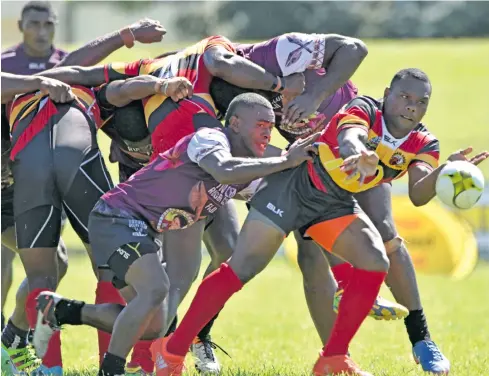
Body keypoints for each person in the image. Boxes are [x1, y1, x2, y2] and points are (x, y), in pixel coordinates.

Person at [148, 68, 489, 376]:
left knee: (374, 261)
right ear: (387, 94)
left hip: (332, 203)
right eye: (404, 96)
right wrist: (360, 154)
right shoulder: (365, 109)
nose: (412, 106)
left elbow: (418, 193)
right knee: (241, 269)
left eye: (421, 102)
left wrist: (446, 171)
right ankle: (173, 352)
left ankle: (333, 359)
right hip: (294, 187)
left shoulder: (423, 142)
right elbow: (349, 137)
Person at [31, 93, 319, 376]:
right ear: (234, 123)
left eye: (271, 126)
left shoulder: (247, 167)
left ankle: (60, 310)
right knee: (155, 290)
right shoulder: (210, 139)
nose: (268, 133)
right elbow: (223, 170)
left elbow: (275, 196)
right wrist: (285, 161)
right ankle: (112, 370)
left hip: (142, 229)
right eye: (261, 125)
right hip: (116, 216)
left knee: (153, 324)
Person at [1, 11, 166, 374]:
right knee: (112, 271)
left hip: (25, 167)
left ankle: (47, 368)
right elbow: (83, 65)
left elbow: (78, 61)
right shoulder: (86, 84)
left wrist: (128, 34)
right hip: (71, 159)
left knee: (43, 278)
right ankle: (118, 364)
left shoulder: (28, 87)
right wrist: (128, 36)